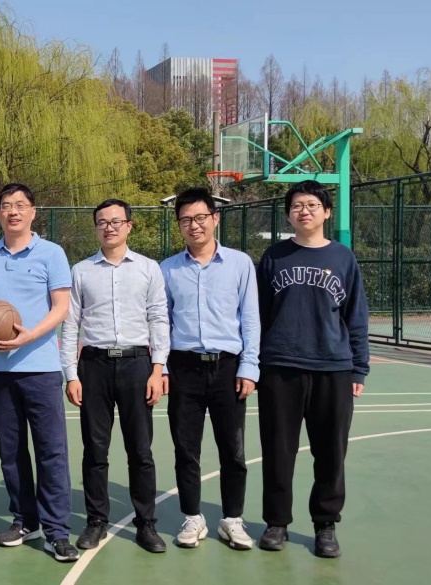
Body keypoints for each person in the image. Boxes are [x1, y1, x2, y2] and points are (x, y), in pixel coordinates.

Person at [0, 183, 78, 563]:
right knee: (11, 453)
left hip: (41, 369)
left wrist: (29, 335)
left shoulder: (52, 253)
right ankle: (25, 520)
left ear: (33, 211)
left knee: (51, 452)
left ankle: (57, 532)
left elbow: (61, 307)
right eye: (5, 205)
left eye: (20, 205)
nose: (13, 211)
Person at [255, 180, 369, 558]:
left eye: (311, 205)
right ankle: (277, 522)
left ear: (326, 212)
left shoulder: (343, 258)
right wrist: (256, 363)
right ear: (288, 215)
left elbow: (356, 316)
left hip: (332, 368)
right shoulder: (274, 256)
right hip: (280, 366)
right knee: (278, 450)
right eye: (296, 206)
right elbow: (259, 314)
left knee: (331, 452)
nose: (303, 211)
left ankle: (325, 525)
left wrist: (358, 368)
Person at [61, 198, 169, 554]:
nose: (109, 227)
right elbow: (71, 324)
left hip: (138, 365)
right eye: (102, 222)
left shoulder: (149, 268)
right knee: (95, 449)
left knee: (140, 450)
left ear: (129, 226)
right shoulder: (81, 271)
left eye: (116, 221)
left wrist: (158, 368)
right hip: (94, 366)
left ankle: (146, 523)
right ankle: (96, 521)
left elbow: (158, 318)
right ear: (96, 228)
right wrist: (71, 374)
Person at [158, 187, 260, 551]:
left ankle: (232, 519)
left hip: (228, 368)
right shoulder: (167, 269)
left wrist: (249, 366)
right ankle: (192, 517)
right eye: (186, 219)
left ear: (215, 219)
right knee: (186, 449)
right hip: (183, 367)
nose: (194, 225)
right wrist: (162, 367)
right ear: (179, 225)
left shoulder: (240, 264)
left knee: (233, 450)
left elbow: (250, 319)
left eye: (201, 217)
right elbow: (162, 323)